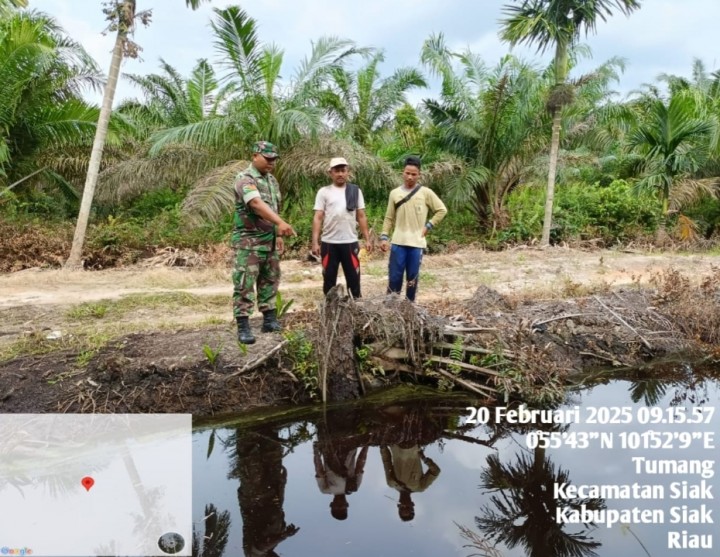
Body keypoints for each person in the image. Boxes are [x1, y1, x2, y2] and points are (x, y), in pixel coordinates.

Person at [232, 141, 296, 345]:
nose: (271, 163)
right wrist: (280, 223)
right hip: (249, 241)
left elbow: (274, 208)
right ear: (255, 156)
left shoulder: (272, 181)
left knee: (270, 279)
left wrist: (277, 234)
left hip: (269, 241)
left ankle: (269, 320)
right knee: (245, 283)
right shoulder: (245, 179)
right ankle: (243, 326)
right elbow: (256, 204)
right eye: (268, 159)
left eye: (274, 159)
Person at [380, 156, 446, 302]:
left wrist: (428, 226)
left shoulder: (426, 193)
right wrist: (384, 237)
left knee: (412, 279)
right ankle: (391, 307)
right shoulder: (395, 193)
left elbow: (442, 210)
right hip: (398, 242)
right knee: (395, 277)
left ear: (419, 175)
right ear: (402, 173)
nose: (410, 177)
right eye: (407, 173)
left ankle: (410, 307)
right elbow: (389, 217)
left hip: (416, 244)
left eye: (413, 174)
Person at [311, 157, 372, 298]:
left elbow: (361, 216)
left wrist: (367, 239)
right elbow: (318, 217)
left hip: (350, 242)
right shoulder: (324, 192)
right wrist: (315, 242)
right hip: (329, 243)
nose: (340, 174)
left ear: (347, 172)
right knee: (328, 279)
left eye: (343, 171)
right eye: (337, 171)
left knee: (354, 279)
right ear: (330, 173)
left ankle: (356, 308)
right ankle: (330, 310)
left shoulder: (355, 191)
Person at [380, 444, 440, 522]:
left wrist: (383, 447)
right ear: (412, 504)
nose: (404, 505)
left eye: (402, 508)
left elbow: (386, 461)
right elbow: (435, 471)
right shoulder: (420, 487)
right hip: (411, 445)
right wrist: (424, 459)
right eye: (407, 507)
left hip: (395, 443)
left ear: (398, 506)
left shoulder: (391, 483)